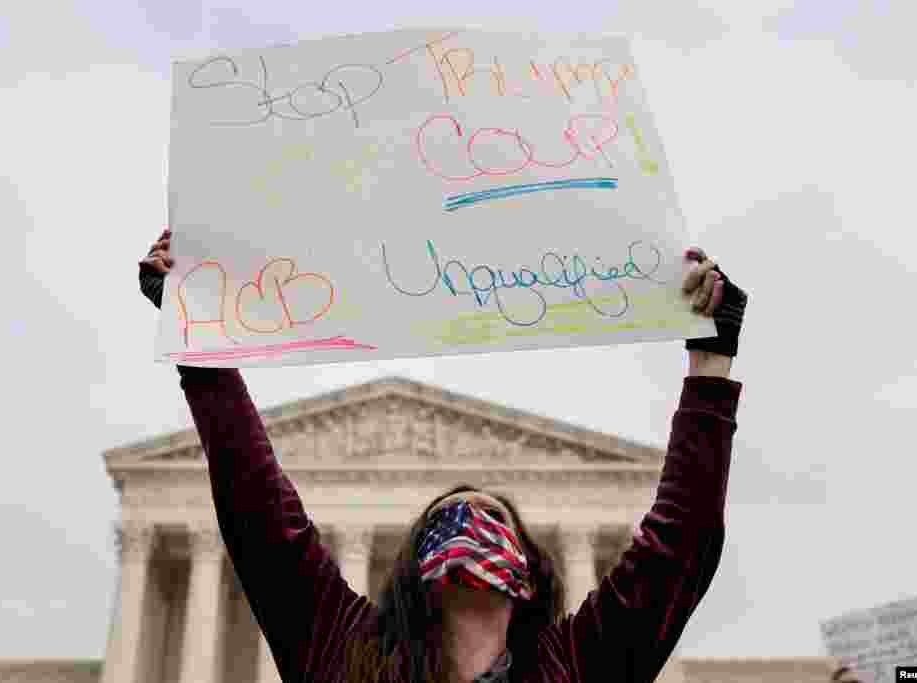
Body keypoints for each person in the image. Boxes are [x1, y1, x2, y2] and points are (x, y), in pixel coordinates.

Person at [138, 228, 748, 683]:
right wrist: (197, 339)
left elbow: (680, 546)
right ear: (409, 574)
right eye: (446, 518)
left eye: (491, 519)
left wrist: (712, 362)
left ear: (528, 577)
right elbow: (260, 516)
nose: (468, 522)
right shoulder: (347, 654)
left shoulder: (572, 666)